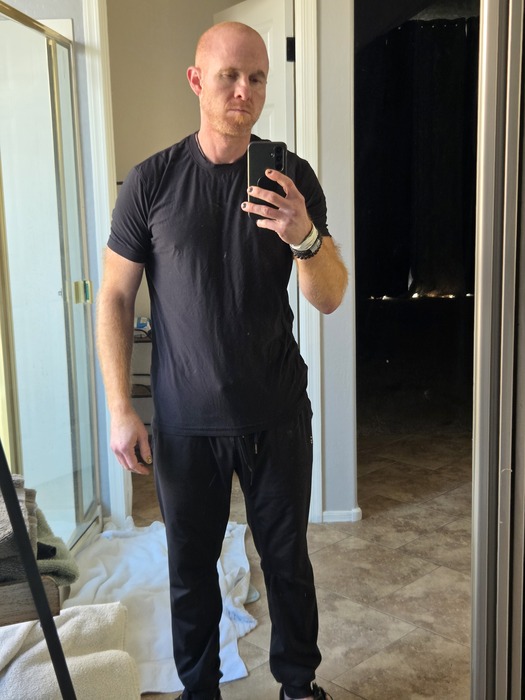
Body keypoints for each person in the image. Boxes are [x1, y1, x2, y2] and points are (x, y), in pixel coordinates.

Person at [96, 21, 348, 700]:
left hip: (275, 411)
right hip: (184, 419)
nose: (244, 90)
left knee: (287, 561)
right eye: (229, 75)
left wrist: (303, 235)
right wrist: (121, 407)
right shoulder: (151, 181)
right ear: (196, 80)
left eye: (256, 77)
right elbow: (115, 296)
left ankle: (298, 685)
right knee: (190, 569)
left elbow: (329, 297)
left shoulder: (290, 177)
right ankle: (199, 689)